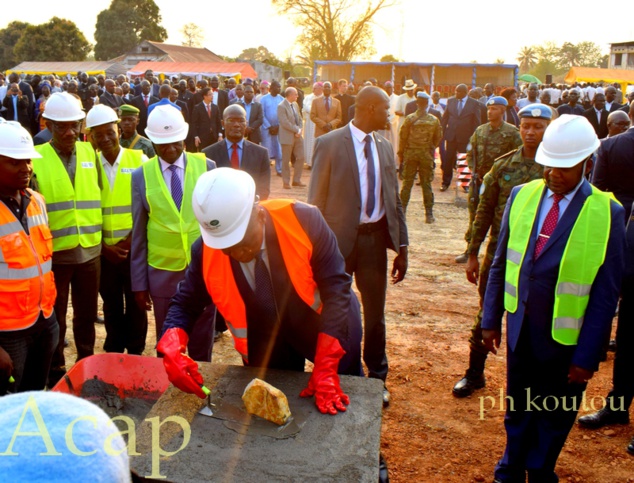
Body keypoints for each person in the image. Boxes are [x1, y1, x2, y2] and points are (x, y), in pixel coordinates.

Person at [481, 115, 625, 482]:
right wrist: (489, 320)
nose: (554, 174)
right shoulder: (522, 196)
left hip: (567, 344)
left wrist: (587, 356)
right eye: (549, 165)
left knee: (555, 413)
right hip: (521, 330)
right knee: (518, 407)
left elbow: (606, 293)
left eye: (565, 167)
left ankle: (540, 470)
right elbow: (501, 265)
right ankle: (510, 468)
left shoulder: (607, 213)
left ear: (587, 163)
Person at [157, 168, 363, 415]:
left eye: (243, 242)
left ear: (259, 214)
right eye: (227, 248)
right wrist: (171, 346)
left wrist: (327, 366)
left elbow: (337, 289)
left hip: (327, 325)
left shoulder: (304, 220)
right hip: (267, 339)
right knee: (274, 408)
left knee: (346, 399)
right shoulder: (205, 250)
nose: (238, 254)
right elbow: (185, 303)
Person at [308, 86, 409, 408]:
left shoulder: (383, 145)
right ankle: (334, 373)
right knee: (333, 311)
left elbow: (394, 199)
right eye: (383, 108)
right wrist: (314, 248)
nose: (388, 114)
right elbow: (315, 203)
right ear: (367, 109)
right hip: (336, 244)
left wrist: (402, 245)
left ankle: (377, 378)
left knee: (375, 314)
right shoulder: (329, 144)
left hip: (374, 241)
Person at [454, 105, 552, 398]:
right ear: (518, 127)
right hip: (499, 253)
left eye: (538, 126)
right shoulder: (504, 165)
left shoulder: (557, 169)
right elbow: (483, 211)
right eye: (526, 126)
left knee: (537, 319)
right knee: (487, 310)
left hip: (539, 257)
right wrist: (472, 252)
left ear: (549, 128)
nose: (531, 132)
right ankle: (474, 374)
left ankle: (532, 384)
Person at [131, 105, 216, 361]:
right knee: (168, 346)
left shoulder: (207, 167)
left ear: (185, 137)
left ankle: (203, 395)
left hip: (203, 272)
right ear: (152, 143)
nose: (170, 150)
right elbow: (138, 233)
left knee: (202, 346)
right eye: (162, 145)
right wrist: (139, 284)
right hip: (162, 275)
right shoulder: (140, 176)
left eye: (175, 143)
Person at [32, 93, 102, 386]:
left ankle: (85, 363)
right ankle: (56, 370)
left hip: (90, 251)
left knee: (86, 315)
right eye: (61, 126)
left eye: (74, 125)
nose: (69, 132)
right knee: (55, 317)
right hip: (56, 255)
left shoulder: (89, 153)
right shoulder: (38, 158)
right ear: (48, 125)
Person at [579, 105, 634, 446]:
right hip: (629, 254)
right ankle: (617, 405)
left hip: (625, 249)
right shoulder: (612, 146)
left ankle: (618, 405)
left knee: (628, 335)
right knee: (628, 336)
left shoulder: (611, 146)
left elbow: (598, 194)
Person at [0, 121, 58, 395]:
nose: (26, 168)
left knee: (35, 394)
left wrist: (50, 321)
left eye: (28, 161)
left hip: (44, 319)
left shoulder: (36, 201)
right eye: (15, 162)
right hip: (8, 333)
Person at [85, 105, 148, 355]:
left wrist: (133, 240)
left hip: (134, 250)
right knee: (111, 305)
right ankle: (113, 349)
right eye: (98, 134)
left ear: (118, 129)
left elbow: (148, 206)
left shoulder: (139, 160)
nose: (106, 138)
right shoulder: (88, 166)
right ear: (91, 137)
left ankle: (135, 351)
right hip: (104, 253)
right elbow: (85, 210)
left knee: (136, 303)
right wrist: (104, 248)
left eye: (110, 131)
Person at [455, 96, 522, 264]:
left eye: (494, 109)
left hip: (500, 184)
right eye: (488, 109)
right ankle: (470, 250)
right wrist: (473, 169)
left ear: (503, 111)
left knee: (499, 219)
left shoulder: (512, 132)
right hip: (479, 182)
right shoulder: (480, 130)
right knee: (475, 217)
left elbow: (518, 155)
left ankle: (496, 254)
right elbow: (470, 151)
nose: (490, 112)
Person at [202, 104, 270, 200]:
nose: (236, 124)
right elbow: (206, 189)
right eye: (231, 120)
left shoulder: (261, 154)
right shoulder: (208, 154)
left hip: (250, 210)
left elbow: (264, 190)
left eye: (241, 121)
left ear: (246, 123)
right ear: (222, 123)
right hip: (219, 210)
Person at [397, 91, 442, 223]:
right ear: (427, 103)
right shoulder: (434, 120)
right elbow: (437, 139)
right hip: (426, 155)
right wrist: (428, 147)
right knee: (426, 184)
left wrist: (401, 154)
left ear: (417, 103)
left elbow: (403, 137)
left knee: (407, 184)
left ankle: (402, 211)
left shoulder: (409, 119)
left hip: (410, 154)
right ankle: (429, 214)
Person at [440, 84, 482, 191]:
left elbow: (476, 122)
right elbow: (445, 118)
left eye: (458, 92)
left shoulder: (474, 103)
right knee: (448, 160)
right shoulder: (451, 101)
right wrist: (442, 133)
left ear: (465, 93)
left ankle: (465, 184)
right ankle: (445, 183)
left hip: (465, 137)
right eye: (455, 91)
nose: (456, 93)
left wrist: (474, 137)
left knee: (463, 159)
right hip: (451, 136)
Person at [278, 87, 305, 189]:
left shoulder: (295, 104)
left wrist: (300, 129)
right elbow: (285, 123)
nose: (297, 96)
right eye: (296, 94)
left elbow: (300, 118)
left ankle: (296, 180)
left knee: (301, 157)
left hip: (297, 136)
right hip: (287, 136)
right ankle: (286, 181)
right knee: (286, 160)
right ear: (290, 95)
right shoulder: (281, 106)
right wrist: (296, 130)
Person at [260, 81, 284, 176]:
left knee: (279, 150)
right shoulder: (264, 99)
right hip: (266, 128)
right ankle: (265, 170)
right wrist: (269, 126)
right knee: (266, 149)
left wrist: (278, 126)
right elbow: (261, 114)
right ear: (272, 88)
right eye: (277, 87)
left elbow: (283, 115)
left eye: (280, 87)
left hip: (278, 128)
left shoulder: (282, 99)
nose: (279, 89)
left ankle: (279, 170)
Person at [191, 87, 222, 152]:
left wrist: (220, 135)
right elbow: (194, 123)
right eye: (210, 94)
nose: (212, 96)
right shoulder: (197, 108)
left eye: (212, 94)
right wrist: (196, 136)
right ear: (204, 96)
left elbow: (218, 122)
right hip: (202, 137)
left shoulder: (215, 107)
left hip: (214, 136)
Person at [302, 82, 323, 168]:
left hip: (320, 123)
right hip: (310, 123)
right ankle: (309, 162)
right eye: (313, 88)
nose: (313, 90)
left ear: (320, 89)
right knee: (309, 142)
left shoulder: (324, 98)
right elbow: (307, 108)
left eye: (315, 88)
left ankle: (318, 163)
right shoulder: (308, 97)